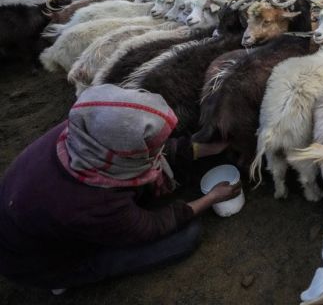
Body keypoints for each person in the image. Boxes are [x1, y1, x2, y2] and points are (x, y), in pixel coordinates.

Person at [0, 84, 240, 294]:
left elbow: (154, 150)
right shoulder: (91, 202)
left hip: (28, 215)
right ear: (127, 157)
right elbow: (150, 227)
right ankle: (68, 277)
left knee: (146, 190)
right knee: (187, 235)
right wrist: (211, 198)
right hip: (37, 262)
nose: (155, 151)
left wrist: (209, 149)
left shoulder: (90, 130)